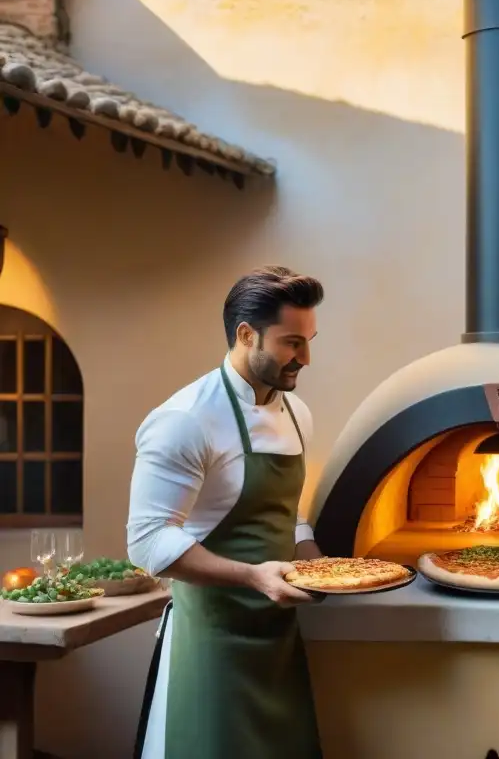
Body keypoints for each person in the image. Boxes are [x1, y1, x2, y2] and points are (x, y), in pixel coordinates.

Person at [127, 266, 325, 759]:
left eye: (310, 341)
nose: (306, 358)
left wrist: (316, 560)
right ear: (245, 334)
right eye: (292, 342)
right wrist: (255, 576)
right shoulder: (185, 420)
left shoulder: (297, 414)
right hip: (212, 641)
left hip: (276, 638)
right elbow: (148, 542)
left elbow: (286, 511)